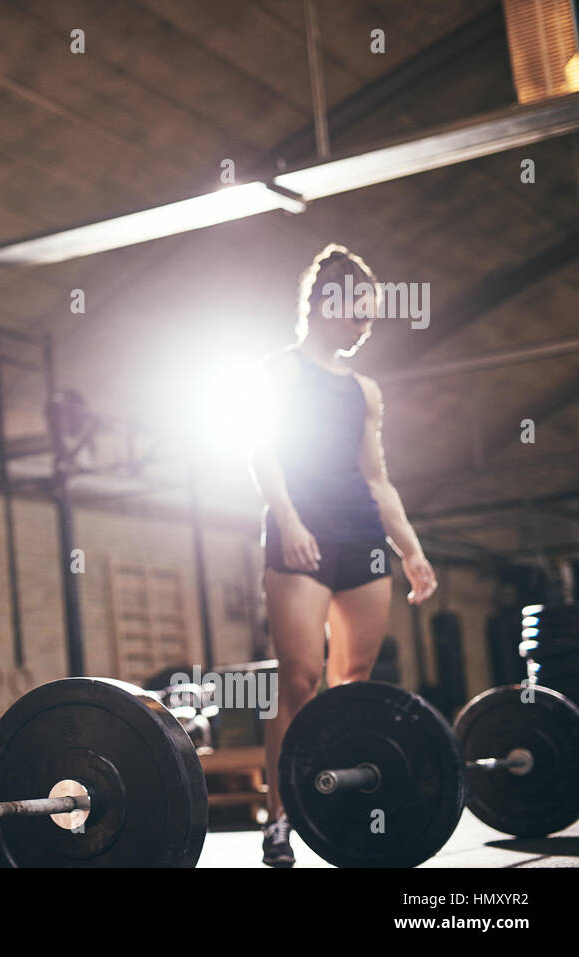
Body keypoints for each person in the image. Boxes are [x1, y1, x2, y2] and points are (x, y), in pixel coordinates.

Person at [249, 244, 438, 867]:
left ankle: (331, 804)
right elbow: (263, 454)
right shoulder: (282, 371)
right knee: (298, 683)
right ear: (327, 303)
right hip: (301, 536)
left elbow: (377, 479)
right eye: (359, 309)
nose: (365, 323)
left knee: (351, 684)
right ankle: (278, 821)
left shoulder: (365, 390)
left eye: (371, 313)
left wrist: (409, 551)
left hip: (362, 539)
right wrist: (290, 520)